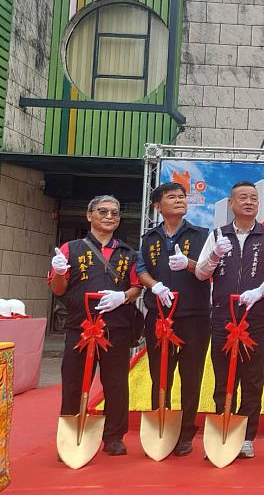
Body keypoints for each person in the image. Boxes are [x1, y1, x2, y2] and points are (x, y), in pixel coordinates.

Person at [49, 195, 142, 456]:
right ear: (89, 215)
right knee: (73, 381)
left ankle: (114, 436)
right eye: (103, 211)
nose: (109, 217)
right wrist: (58, 272)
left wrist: (122, 297)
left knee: (115, 383)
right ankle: (70, 433)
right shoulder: (70, 248)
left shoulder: (128, 252)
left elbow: (136, 287)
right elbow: (59, 289)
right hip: (79, 327)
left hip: (116, 327)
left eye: (115, 213)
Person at [195, 181, 264, 459]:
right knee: (223, 376)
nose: (248, 202)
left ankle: (246, 435)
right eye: (242, 197)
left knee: (253, 376)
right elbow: (201, 274)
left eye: (253, 198)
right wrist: (215, 254)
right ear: (231, 204)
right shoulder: (218, 235)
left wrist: (259, 291)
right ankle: (223, 428)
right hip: (222, 315)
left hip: (255, 315)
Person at [137, 182, 210, 457]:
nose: (179, 200)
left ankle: (186, 433)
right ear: (158, 206)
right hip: (159, 316)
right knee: (161, 375)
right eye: (172, 197)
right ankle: (162, 428)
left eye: (182, 196)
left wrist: (191, 265)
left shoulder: (202, 235)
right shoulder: (150, 238)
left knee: (191, 377)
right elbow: (141, 269)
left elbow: (211, 269)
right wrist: (154, 285)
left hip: (194, 315)